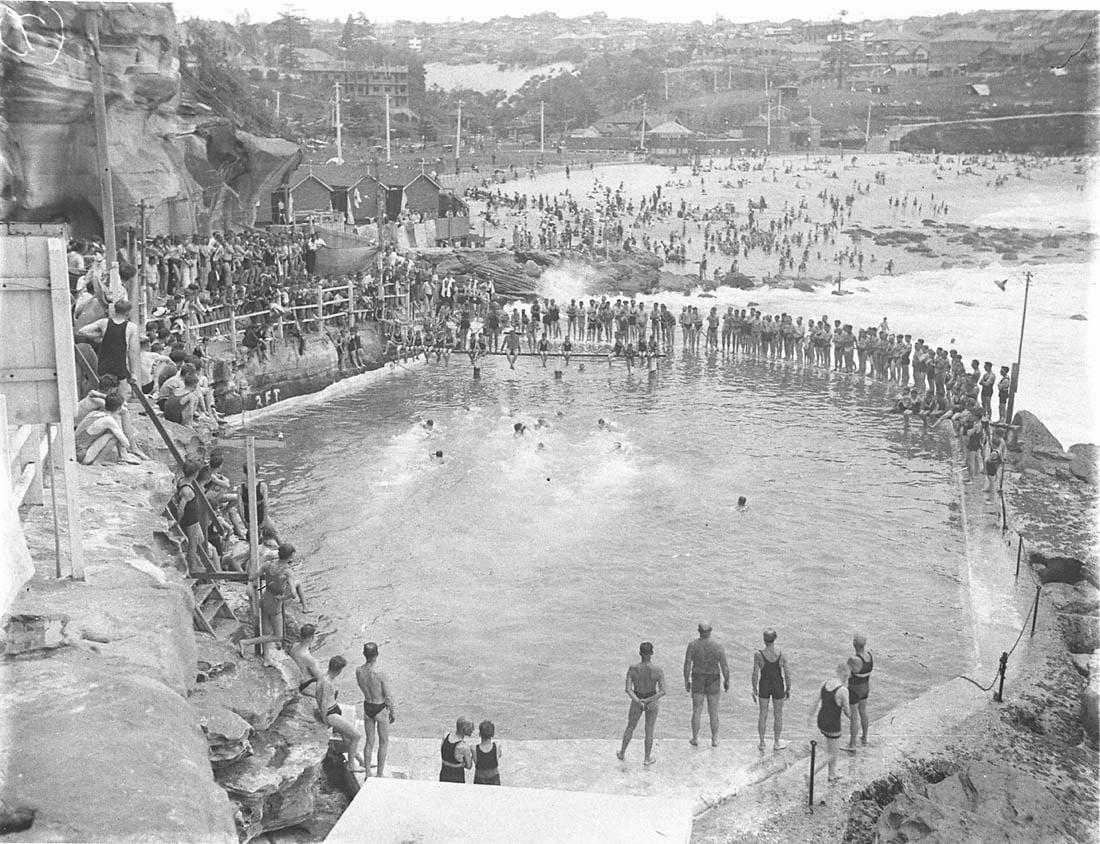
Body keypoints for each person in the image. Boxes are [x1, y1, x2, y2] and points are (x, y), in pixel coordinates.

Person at [249, 543, 308, 666]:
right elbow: (293, 593)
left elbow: (251, 577)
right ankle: (246, 642)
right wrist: (282, 597)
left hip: (265, 598)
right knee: (278, 636)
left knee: (266, 631)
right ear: (290, 556)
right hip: (275, 603)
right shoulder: (287, 571)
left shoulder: (268, 564)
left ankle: (266, 658)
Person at [75, 299, 141, 400]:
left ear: (115, 310)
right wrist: (133, 373)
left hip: (104, 365)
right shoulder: (131, 327)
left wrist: (98, 337)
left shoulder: (104, 323)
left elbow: (81, 331)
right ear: (128, 312)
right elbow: (132, 352)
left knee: (103, 397)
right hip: (119, 365)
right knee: (121, 400)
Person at [616, 641, 665, 765]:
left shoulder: (633, 669)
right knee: (649, 730)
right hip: (652, 700)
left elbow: (628, 689)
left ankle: (622, 752)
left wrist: (639, 701)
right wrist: (648, 700)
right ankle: (646, 758)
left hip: (637, 699)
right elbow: (663, 691)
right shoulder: (658, 670)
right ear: (652, 653)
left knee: (630, 727)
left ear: (640, 653)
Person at [683, 622, 730, 747]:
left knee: (697, 710)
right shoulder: (717, 646)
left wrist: (686, 680)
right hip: (713, 678)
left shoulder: (692, 645)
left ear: (699, 631)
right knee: (713, 711)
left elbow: (687, 664)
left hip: (698, 677)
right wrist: (727, 680)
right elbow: (724, 665)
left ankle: (695, 738)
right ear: (710, 630)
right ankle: (714, 739)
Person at [316, 656, 365, 775]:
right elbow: (322, 704)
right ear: (339, 670)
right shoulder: (327, 683)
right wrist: (325, 722)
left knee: (348, 739)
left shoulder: (323, 677)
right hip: (330, 714)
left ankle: (361, 761)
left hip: (333, 710)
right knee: (356, 736)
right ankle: (351, 765)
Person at [356, 642, 396, 779]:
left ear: (364, 654)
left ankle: (367, 773)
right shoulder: (380, 673)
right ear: (377, 654)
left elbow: (362, 687)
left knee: (369, 741)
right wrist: (393, 712)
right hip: (379, 707)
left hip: (367, 706)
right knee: (384, 742)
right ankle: (379, 774)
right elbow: (388, 696)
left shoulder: (359, 671)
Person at [808, 662, 852, 783]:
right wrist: (854, 718)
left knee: (832, 747)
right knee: (832, 753)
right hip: (833, 723)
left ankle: (832, 774)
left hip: (821, 720)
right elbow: (847, 712)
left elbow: (815, 702)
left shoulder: (824, 684)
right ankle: (811, 773)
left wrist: (810, 718)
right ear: (845, 675)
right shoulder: (843, 690)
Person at [752, 628, 791, 751]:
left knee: (763, 714)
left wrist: (754, 688)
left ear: (764, 640)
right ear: (775, 639)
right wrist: (788, 688)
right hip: (778, 685)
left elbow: (755, 673)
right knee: (778, 714)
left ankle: (762, 742)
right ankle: (776, 742)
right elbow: (787, 674)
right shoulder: (781, 654)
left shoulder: (758, 654)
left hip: (764, 684)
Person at [846, 634, 873, 751]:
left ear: (854, 644)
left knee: (854, 716)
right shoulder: (869, 656)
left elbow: (846, 672)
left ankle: (852, 744)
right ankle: (864, 738)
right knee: (863, 711)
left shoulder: (854, 659)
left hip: (854, 689)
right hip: (865, 687)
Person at [289, 624, 322, 697]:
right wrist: (316, 664)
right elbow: (319, 676)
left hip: (296, 678)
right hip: (304, 685)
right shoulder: (308, 657)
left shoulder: (294, 646)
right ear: (312, 637)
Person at [439, 717, 475, 783]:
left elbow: (444, 752)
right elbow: (469, 766)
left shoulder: (446, 735)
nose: (473, 729)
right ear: (464, 729)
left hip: (444, 774)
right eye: (471, 728)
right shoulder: (464, 747)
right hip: (457, 777)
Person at [473, 720, 503, 785]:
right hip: (494, 778)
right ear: (493, 734)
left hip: (479, 778)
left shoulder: (474, 749)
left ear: (479, 734)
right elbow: (499, 755)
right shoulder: (497, 746)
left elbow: (476, 762)